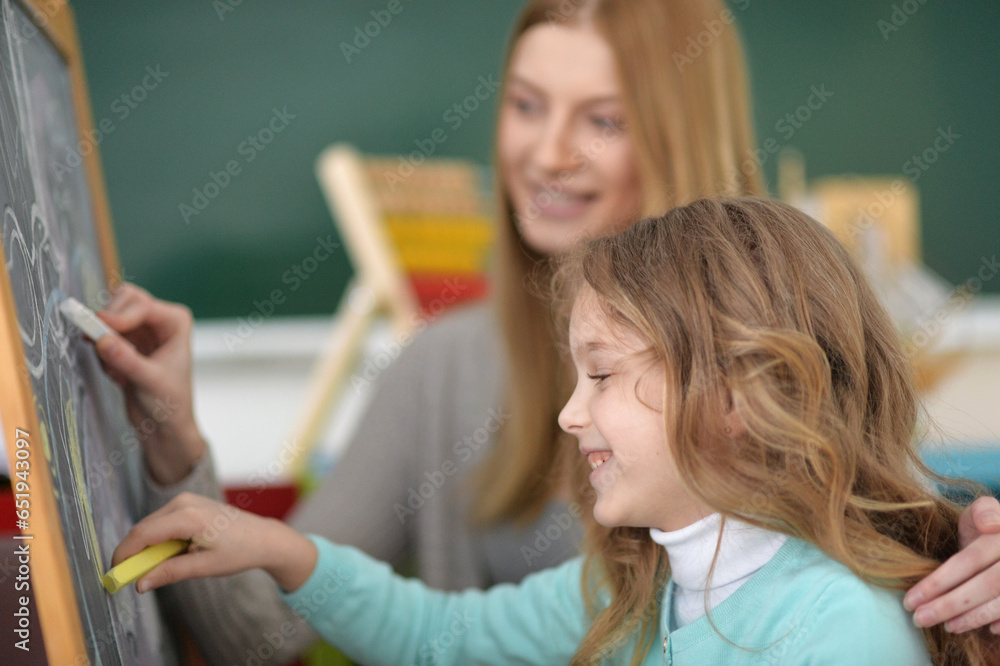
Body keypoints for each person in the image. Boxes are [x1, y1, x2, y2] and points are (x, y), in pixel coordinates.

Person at [92, 0, 1000, 663]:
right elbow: (292, 634)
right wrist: (172, 436)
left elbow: (899, 545)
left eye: (602, 119)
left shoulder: (820, 587)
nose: (548, 153)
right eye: (525, 105)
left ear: (746, 395)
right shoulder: (449, 376)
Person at [112, 197, 999, 665]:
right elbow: (439, 639)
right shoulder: (628, 581)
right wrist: (281, 549)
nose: (571, 413)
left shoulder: (839, 634)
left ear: (744, 393)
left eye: (604, 374)